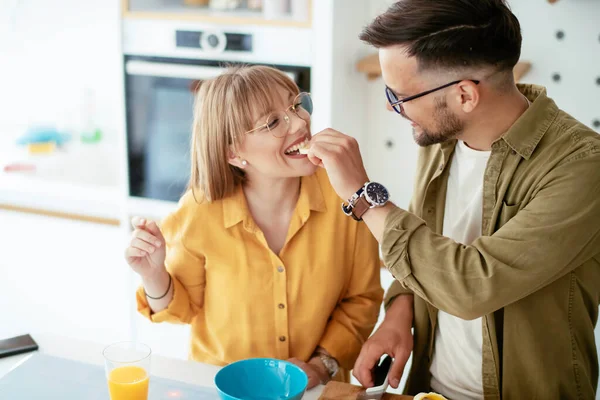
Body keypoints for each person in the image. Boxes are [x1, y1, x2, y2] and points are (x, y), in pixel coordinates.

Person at [304, 0, 600, 398]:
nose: (394, 108)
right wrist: (399, 309)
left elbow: (471, 285)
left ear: (464, 95)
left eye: (400, 95)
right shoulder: (441, 136)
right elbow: (428, 240)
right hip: (430, 389)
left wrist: (364, 196)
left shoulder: (582, 167)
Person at [124, 65, 383, 389]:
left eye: (296, 105)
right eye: (273, 122)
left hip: (317, 391)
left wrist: (320, 366)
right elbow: (180, 311)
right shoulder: (199, 212)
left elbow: (362, 299)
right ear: (233, 153)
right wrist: (152, 274)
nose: (301, 122)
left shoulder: (345, 194)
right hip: (224, 390)